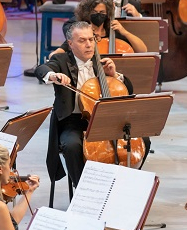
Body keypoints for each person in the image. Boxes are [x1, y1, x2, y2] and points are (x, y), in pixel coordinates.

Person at [35, 21, 134, 188]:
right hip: (71, 121)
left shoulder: (100, 62)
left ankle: (117, 188)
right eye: (82, 41)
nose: (88, 45)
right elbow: (41, 69)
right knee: (72, 146)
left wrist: (114, 75)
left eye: (91, 39)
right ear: (71, 44)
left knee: (141, 141)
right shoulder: (61, 60)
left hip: (102, 122)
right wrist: (53, 76)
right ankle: (83, 190)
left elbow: (128, 89)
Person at [49, 0, 147, 59]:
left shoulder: (113, 30)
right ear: (87, 13)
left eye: (102, 12)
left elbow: (143, 50)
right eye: (95, 12)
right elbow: (56, 54)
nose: (99, 15)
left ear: (107, 13)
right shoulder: (82, 34)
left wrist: (124, 32)